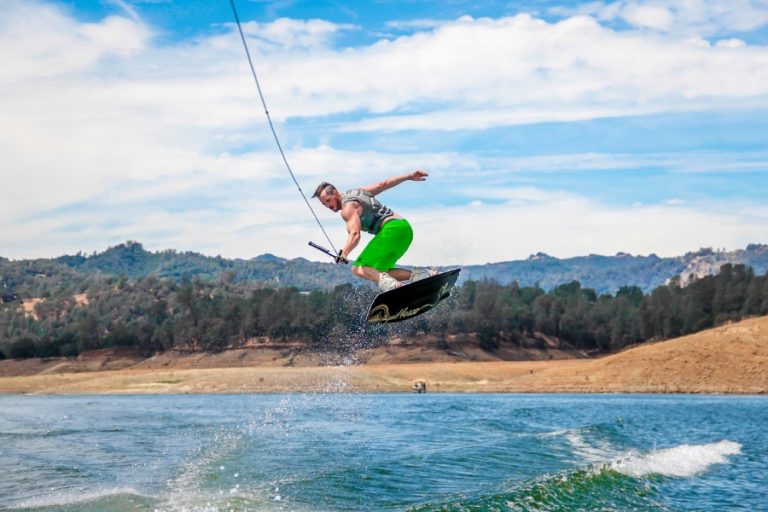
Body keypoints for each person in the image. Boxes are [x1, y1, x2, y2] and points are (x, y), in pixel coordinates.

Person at [312, 170, 434, 292]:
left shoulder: (347, 208)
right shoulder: (358, 192)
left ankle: (394, 287)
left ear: (336, 193)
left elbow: (355, 234)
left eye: (328, 200)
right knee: (375, 271)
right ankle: (423, 275)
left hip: (392, 229)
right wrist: (408, 176)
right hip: (405, 229)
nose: (328, 206)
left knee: (358, 268)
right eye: (324, 204)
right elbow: (383, 184)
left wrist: (344, 253)